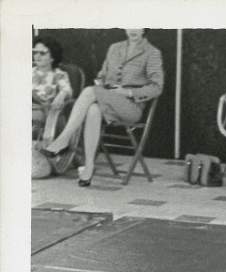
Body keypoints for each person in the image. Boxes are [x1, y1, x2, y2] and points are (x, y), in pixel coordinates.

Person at [43, 29, 163, 187]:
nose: (133, 29)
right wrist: (101, 82)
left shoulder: (152, 53)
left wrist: (128, 91)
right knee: (93, 109)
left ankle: (63, 140)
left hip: (131, 107)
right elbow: (102, 75)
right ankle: (89, 167)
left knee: (88, 91)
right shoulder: (114, 48)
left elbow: (156, 87)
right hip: (107, 98)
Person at [32, 35, 72, 140]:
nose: (37, 56)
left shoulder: (59, 74)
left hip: (47, 111)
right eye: (35, 52)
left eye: (42, 53)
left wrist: (62, 94)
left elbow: (67, 90)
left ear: (52, 57)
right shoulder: (28, 72)